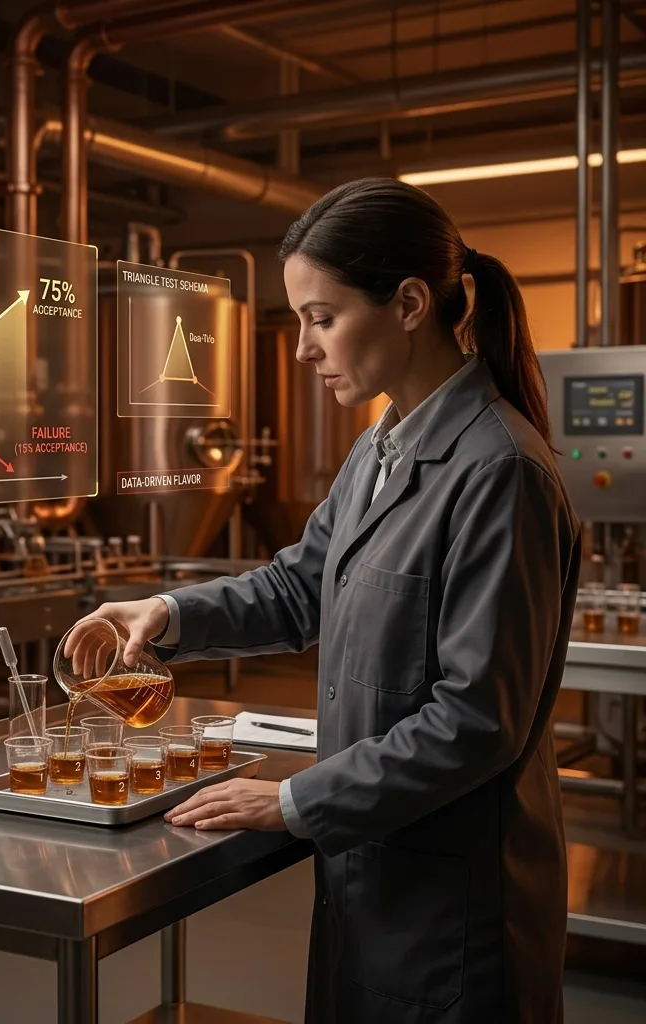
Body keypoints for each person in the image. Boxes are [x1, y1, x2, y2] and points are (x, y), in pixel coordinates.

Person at [73, 178, 580, 1023]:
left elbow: (477, 719)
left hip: (455, 904)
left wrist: (294, 801)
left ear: (411, 303)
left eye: (322, 317)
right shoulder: (378, 448)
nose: (304, 348)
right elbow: (300, 584)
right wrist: (166, 613)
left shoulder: (500, 472)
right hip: (374, 878)